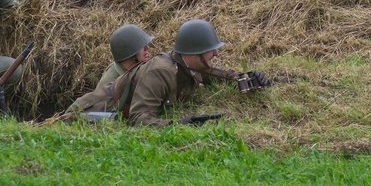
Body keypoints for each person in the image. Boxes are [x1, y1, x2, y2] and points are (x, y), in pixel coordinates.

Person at [112, 18, 266, 127]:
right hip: (105, 104)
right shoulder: (160, 72)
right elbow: (138, 118)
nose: (216, 53)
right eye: (210, 50)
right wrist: (177, 125)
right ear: (194, 53)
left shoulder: (190, 64)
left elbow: (216, 75)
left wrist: (248, 78)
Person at [65, 24, 154, 114]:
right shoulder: (110, 84)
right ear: (131, 53)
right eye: (143, 47)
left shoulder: (134, 69)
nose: (147, 49)